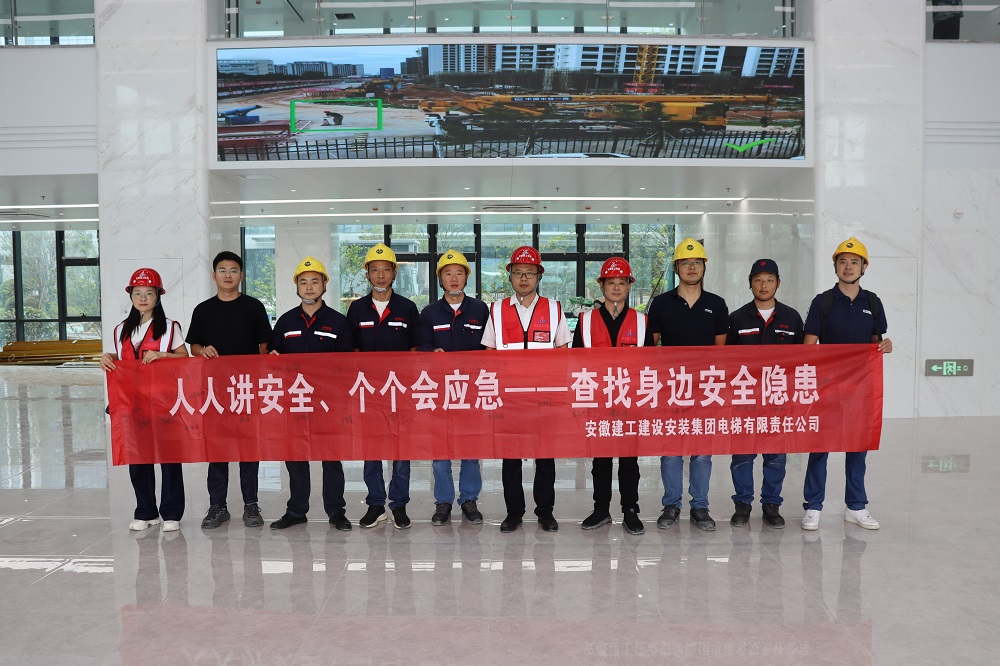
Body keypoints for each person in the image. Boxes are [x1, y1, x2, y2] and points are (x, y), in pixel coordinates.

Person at [801, 238, 893, 531]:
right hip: (827, 387)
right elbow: (808, 346)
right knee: (820, 447)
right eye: (843, 262)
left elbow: (875, 342)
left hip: (860, 389)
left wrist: (885, 346)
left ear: (864, 267)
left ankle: (856, 506)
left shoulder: (872, 302)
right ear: (835, 266)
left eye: (855, 262)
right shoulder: (823, 302)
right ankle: (813, 506)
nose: (848, 267)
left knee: (857, 447)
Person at [481, 246, 571, 533]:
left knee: (545, 457)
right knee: (511, 458)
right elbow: (489, 353)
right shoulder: (496, 310)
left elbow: (563, 352)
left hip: (544, 398)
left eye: (529, 273)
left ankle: (545, 512)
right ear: (510, 275)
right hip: (510, 399)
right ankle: (514, 512)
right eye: (518, 273)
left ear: (538, 276)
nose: (523, 278)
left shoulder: (554, 308)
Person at [645, 238, 728, 532]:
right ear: (676, 267)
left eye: (697, 263)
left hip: (705, 388)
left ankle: (700, 506)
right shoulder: (661, 303)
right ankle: (671, 504)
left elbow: (721, 351)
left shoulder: (716, 304)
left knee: (702, 451)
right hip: (671, 387)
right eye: (685, 263)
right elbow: (650, 346)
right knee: (671, 450)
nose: (691, 267)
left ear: (704, 267)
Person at [268, 256, 354, 531]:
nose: (308, 287)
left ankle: (336, 511)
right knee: (295, 457)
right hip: (295, 400)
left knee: (331, 457)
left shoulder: (339, 322)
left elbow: (348, 364)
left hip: (328, 402)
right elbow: (273, 356)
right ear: (296, 286)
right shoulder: (285, 322)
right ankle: (296, 511)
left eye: (314, 281)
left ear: (324, 285)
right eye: (303, 282)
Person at [186, 251, 272, 530]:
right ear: (214, 275)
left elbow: (264, 345)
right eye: (222, 270)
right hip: (214, 390)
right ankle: (217, 506)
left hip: (247, 389)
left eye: (233, 270)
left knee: (248, 448)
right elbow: (193, 345)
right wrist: (202, 351)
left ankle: (251, 504)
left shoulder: (254, 307)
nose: (228, 275)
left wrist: (255, 372)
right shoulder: (203, 310)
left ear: (241, 276)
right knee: (217, 448)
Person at [100, 268, 188, 532]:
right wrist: (108, 357)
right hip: (132, 403)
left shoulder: (170, 327)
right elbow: (121, 359)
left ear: (158, 296)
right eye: (137, 293)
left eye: (149, 293)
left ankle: (171, 513)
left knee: (169, 459)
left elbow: (184, 358)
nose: (142, 298)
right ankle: (146, 511)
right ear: (131, 296)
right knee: (138, 459)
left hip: (164, 403)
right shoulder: (121, 329)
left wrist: (163, 356)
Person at [573, 257, 652, 535]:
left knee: (630, 460)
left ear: (629, 286)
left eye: (621, 282)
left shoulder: (642, 322)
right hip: (597, 401)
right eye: (611, 283)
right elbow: (575, 363)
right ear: (602, 286)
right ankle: (601, 509)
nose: (616, 287)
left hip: (631, 401)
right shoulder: (585, 321)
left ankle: (630, 509)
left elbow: (650, 365)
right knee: (601, 459)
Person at [346, 243, 421, 529]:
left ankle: (399, 505)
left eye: (385, 270)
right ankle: (376, 504)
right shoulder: (356, 309)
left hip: (399, 392)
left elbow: (416, 348)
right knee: (372, 451)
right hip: (368, 392)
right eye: (375, 270)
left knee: (401, 452)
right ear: (367, 274)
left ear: (394, 273)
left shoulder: (407, 308)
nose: (380, 275)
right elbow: (351, 350)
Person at [726, 259, 804, 530]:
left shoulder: (792, 318)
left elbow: (801, 360)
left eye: (769, 279)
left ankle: (771, 504)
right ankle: (743, 504)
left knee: (776, 456)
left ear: (778, 283)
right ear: (750, 284)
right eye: (758, 279)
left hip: (778, 399)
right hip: (745, 398)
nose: (763, 285)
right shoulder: (737, 318)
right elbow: (726, 361)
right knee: (742, 456)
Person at [419, 250, 489, 526]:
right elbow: (422, 345)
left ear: (466, 277)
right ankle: (443, 501)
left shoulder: (480, 310)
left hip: (471, 391)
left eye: (459, 273)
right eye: (448, 273)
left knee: (471, 448)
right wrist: (431, 352)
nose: (454, 278)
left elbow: (489, 346)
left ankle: (469, 499)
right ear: (440, 278)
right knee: (441, 451)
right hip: (440, 391)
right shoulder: (430, 312)